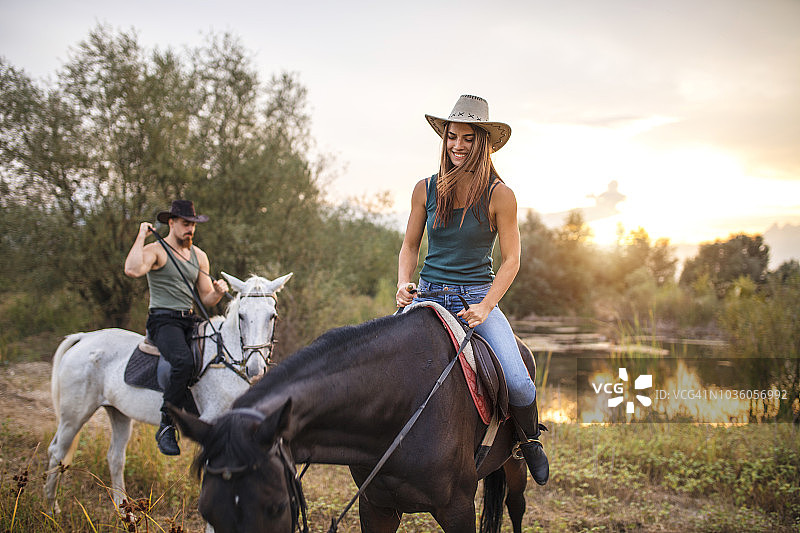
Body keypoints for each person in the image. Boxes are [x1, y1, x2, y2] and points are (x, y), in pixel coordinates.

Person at [396, 94, 549, 484]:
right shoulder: (425, 189)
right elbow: (410, 246)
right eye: (451, 136)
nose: (457, 145)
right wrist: (402, 284)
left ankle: (528, 441)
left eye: (467, 138)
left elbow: (512, 260)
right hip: (428, 296)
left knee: (519, 382)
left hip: (476, 298)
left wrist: (486, 306)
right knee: (384, 366)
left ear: (483, 143)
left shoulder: (501, 195)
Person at [124, 200, 229, 455]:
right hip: (163, 320)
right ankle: (166, 425)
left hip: (188, 319)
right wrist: (141, 236)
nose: (190, 229)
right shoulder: (157, 250)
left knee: (218, 348)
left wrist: (217, 292)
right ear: (171, 223)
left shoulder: (199, 256)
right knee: (183, 361)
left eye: (193, 225)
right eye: (185, 224)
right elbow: (132, 269)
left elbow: (206, 298)